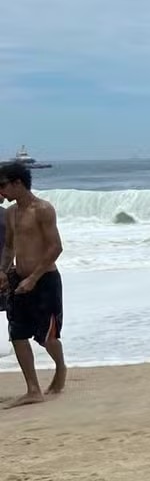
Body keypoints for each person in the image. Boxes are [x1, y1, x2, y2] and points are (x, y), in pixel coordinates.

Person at [0, 163, 67, 408]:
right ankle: (33, 389)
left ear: (18, 183)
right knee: (17, 334)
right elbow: (9, 247)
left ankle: (60, 367)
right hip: (18, 279)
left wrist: (33, 278)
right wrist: (3, 271)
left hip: (45, 280)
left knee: (48, 337)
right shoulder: (10, 213)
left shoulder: (43, 209)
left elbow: (56, 247)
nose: (1, 191)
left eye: (3, 185)